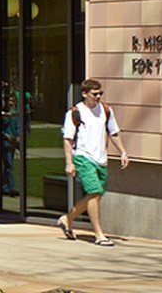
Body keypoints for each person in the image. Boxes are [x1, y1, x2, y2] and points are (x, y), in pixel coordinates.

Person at [57, 78, 130, 247]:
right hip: (83, 157)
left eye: (100, 94)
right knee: (94, 192)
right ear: (84, 93)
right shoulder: (75, 113)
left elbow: (113, 132)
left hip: (101, 159)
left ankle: (67, 219)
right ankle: (99, 234)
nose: (98, 97)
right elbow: (68, 139)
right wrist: (69, 163)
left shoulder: (106, 110)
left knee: (94, 195)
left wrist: (123, 152)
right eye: (94, 94)